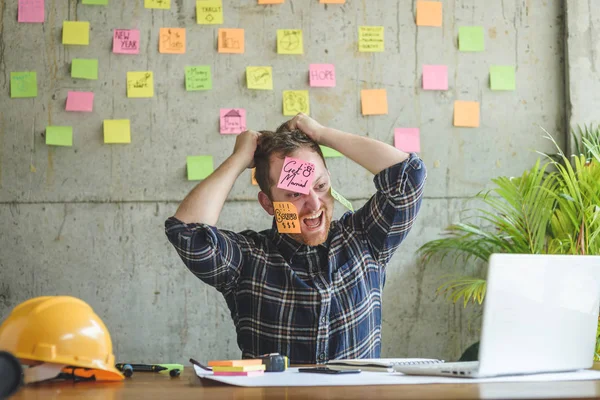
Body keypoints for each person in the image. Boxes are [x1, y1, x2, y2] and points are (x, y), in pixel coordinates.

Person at [165, 113, 426, 364]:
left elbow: (409, 174)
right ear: (268, 203)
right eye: (294, 194)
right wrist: (239, 158)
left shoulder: (365, 239)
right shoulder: (248, 260)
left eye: (321, 186)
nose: (314, 204)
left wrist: (322, 134)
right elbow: (187, 233)